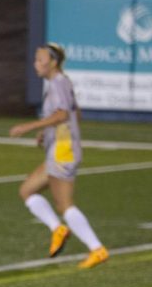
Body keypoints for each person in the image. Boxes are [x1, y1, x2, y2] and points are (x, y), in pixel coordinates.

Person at [9, 42, 108, 269]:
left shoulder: (58, 83)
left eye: (40, 59)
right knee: (27, 190)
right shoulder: (58, 83)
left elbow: (63, 113)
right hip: (59, 149)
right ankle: (58, 229)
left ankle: (97, 249)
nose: (36, 64)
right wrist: (47, 130)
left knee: (64, 205)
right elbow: (75, 113)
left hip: (64, 151)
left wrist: (30, 126)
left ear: (53, 62)